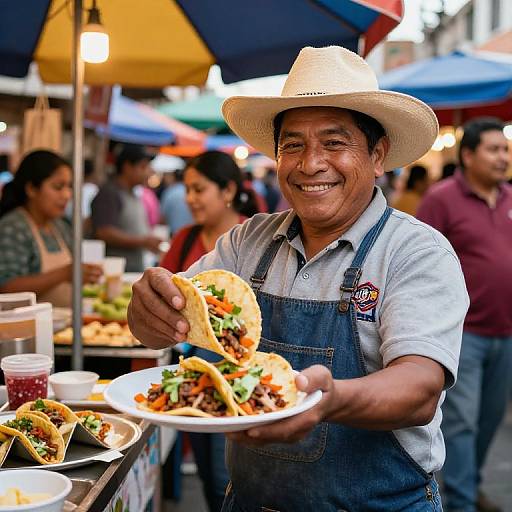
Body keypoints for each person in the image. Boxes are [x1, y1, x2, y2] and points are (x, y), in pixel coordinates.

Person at [128, 46, 469, 512]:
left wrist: (328, 399)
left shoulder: (415, 251)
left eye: (334, 142)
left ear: (377, 155)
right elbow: (165, 319)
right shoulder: (247, 242)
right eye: (292, 145)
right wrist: (147, 309)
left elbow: (419, 389)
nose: (310, 164)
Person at [417, 117, 512, 512]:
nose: (503, 157)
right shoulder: (441, 199)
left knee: (489, 421)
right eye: (494, 149)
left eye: (506, 149)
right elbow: (418, 261)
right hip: (462, 334)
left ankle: (467, 486)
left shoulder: (510, 197)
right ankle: (460, 502)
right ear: (468, 155)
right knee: (460, 425)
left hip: (506, 332)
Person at [160, 150, 248, 512]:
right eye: (187, 190)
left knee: (226, 477)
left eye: (199, 189)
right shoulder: (184, 239)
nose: (190, 199)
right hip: (191, 374)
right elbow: (162, 293)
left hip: (236, 379)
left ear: (227, 189)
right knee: (208, 471)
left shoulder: (254, 239)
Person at [0, 150, 102, 306]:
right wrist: (65, 273)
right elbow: (6, 288)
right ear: (32, 189)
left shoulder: (61, 225)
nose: (67, 195)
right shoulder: (13, 227)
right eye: (58, 187)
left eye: (69, 187)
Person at [91, 144, 162, 272]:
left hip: (133, 270)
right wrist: (143, 241)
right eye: (143, 166)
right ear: (127, 167)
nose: (148, 172)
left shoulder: (134, 193)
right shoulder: (110, 193)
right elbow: (104, 232)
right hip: (116, 273)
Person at [160, 168, 194, 236]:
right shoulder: (189, 191)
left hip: (175, 234)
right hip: (192, 235)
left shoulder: (169, 192)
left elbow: (162, 218)